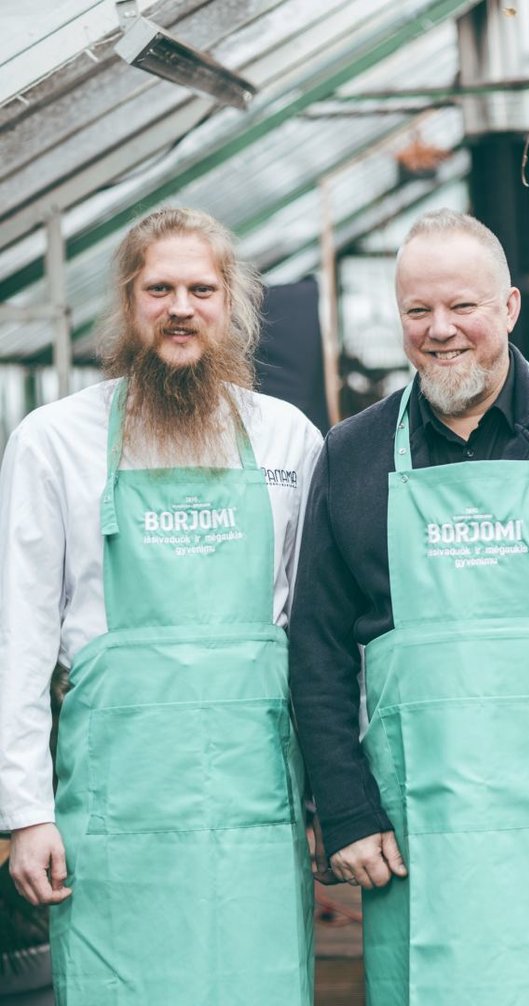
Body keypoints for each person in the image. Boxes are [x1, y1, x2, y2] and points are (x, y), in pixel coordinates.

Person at [289, 208, 529, 1006]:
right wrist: (348, 812)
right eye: (417, 311)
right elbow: (317, 652)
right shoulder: (352, 455)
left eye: (462, 306)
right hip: (421, 838)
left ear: (509, 308)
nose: (441, 331)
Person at [0, 207, 322, 1005]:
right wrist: (25, 811)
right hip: (116, 808)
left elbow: (316, 639)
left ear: (233, 305)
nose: (181, 307)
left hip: (255, 802)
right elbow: (21, 641)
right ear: (129, 302)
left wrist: (329, 803)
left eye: (201, 289)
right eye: (160, 288)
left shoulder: (287, 439)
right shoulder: (54, 440)